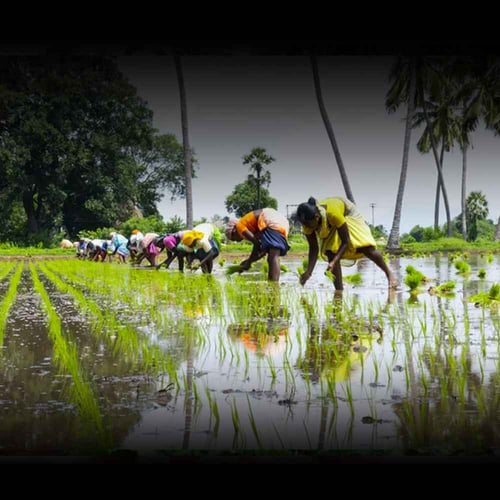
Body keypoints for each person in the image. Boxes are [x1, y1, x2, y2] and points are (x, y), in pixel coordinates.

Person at [295, 197, 398, 290]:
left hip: (348, 213)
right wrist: (308, 272)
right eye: (304, 224)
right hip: (329, 223)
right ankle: (339, 291)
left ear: (316, 217)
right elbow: (313, 248)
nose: (306, 227)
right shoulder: (307, 224)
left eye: (308, 224)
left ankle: (389, 274)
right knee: (330, 252)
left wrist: (334, 261)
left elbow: (346, 241)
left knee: (364, 247)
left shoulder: (333, 213)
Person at [225, 208, 290, 282]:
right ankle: (273, 285)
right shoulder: (256, 229)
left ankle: (273, 286)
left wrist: (249, 262)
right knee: (273, 255)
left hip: (270, 219)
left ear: (234, 230)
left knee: (273, 257)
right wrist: (248, 261)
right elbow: (262, 252)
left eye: (234, 238)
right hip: (282, 222)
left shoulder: (239, 225)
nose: (236, 241)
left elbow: (256, 243)